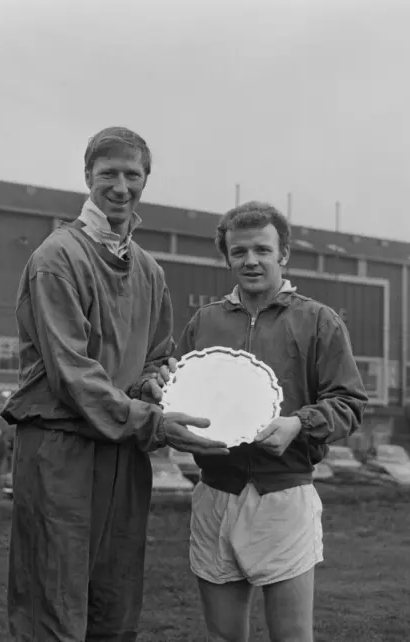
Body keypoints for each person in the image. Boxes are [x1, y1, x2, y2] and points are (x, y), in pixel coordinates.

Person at [0, 126, 229, 641]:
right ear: (87, 177)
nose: (121, 186)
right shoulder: (57, 258)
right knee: (52, 602)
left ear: (147, 179)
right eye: (109, 174)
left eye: (133, 174)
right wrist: (154, 422)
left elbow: (156, 356)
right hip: (62, 449)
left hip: (124, 452)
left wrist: (153, 384)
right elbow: (71, 372)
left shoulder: (150, 271)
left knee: (116, 602)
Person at [154, 201, 369, 642]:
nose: (250, 260)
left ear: (283, 253)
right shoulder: (205, 321)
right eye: (239, 252)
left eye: (262, 250)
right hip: (215, 492)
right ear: (227, 257)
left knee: (291, 637)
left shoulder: (318, 320)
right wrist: (160, 392)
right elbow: (176, 386)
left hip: (284, 495)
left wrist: (299, 425)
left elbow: (349, 402)